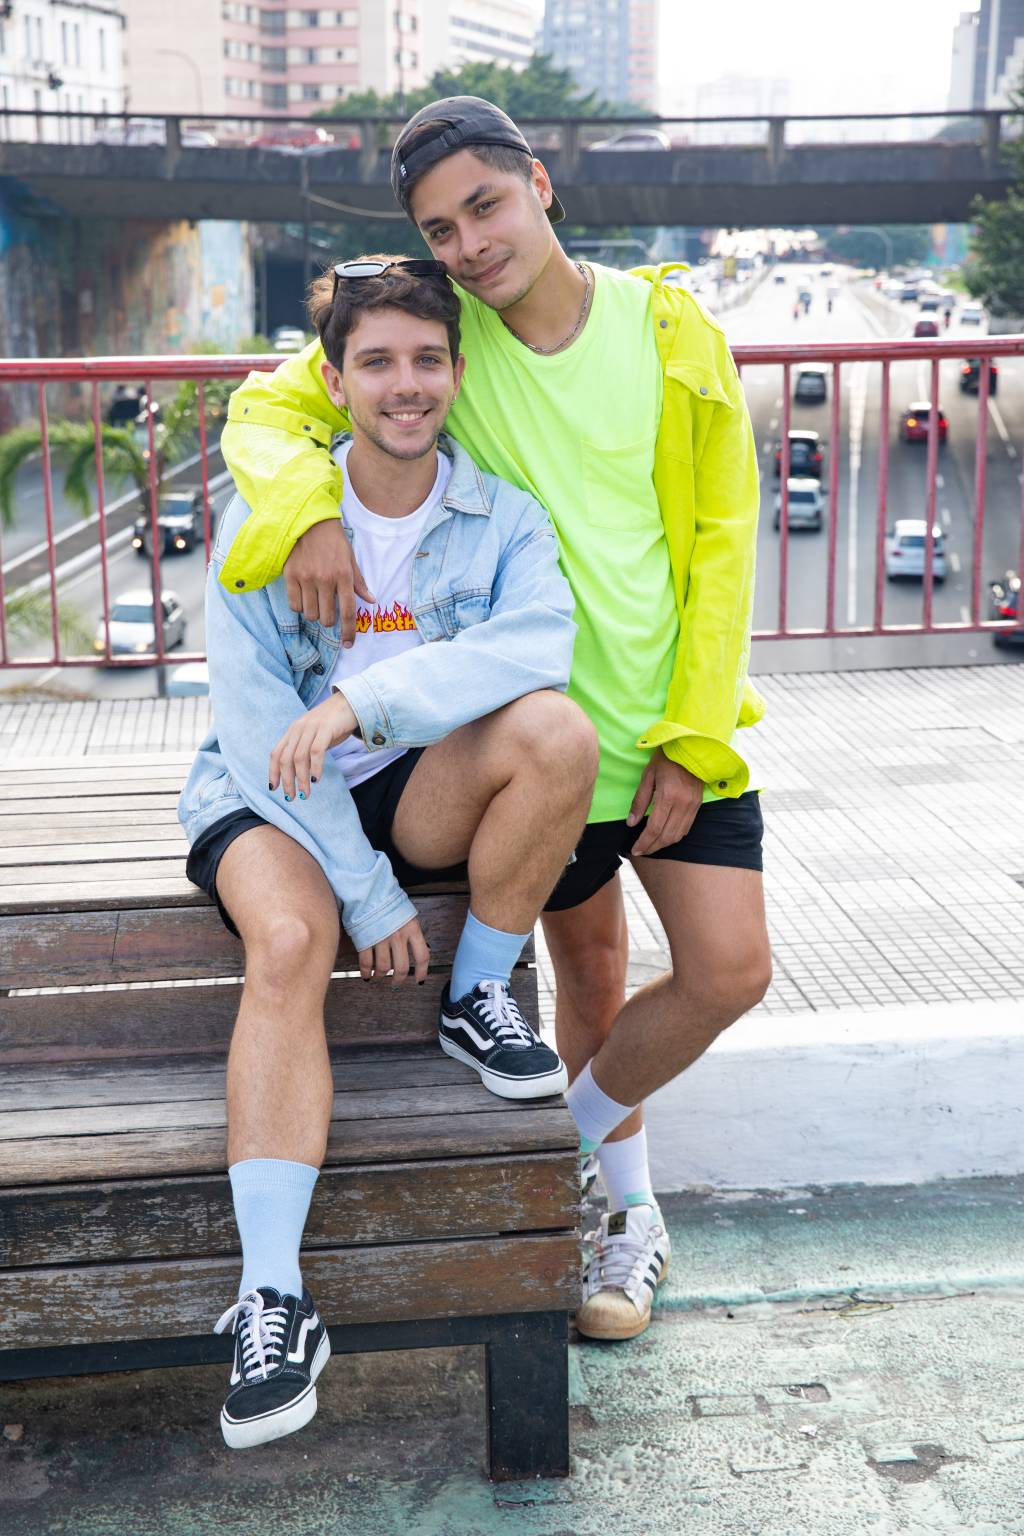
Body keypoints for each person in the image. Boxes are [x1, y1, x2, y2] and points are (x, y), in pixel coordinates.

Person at [216, 96, 772, 1345]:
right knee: (586, 973)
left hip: (670, 728)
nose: (468, 243)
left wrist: (692, 733)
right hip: (541, 740)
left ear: (539, 185)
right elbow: (266, 412)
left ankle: (559, 1149)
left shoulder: (668, 327)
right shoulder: (444, 339)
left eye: (485, 205)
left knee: (732, 968)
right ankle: (623, 1215)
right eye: (438, 227)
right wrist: (308, 507)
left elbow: (725, 543)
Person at [178, 256, 598, 1447]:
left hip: (404, 780)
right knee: (293, 937)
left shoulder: (501, 518)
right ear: (335, 377)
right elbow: (262, 736)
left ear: (456, 374)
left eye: (425, 361)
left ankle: (477, 997)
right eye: (377, 362)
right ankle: (272, 1297)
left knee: (560, 734)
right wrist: (366, 898)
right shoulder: (266, 520)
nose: (404, 385)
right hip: (266, 797)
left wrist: (369, 705)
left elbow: (535, 649)